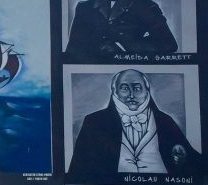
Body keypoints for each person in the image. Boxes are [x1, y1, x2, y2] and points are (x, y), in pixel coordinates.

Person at [67, 69, 201, 178]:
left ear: (147, 91)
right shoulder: (94, 122)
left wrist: (181, 160)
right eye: (124, 88)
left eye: (137, 88)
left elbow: (192, 163)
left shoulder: (165, 121)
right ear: (115, 92)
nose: (131, 95)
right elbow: (80, 168)